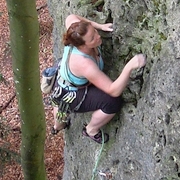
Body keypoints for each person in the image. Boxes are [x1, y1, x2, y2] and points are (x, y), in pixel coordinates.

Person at [56, 14, 146, 143]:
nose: (98, 37)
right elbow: (113, 90)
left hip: (68, 79)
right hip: (71, 93)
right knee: (112, 102)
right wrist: (129, 67)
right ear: (82, 46)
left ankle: (58, 122)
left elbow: (70, 16)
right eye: (92, 38)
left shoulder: (76, 30)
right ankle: (90, 130)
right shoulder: (84, 64)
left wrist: (100, 26)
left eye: (95, 32)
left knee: (59, 114)